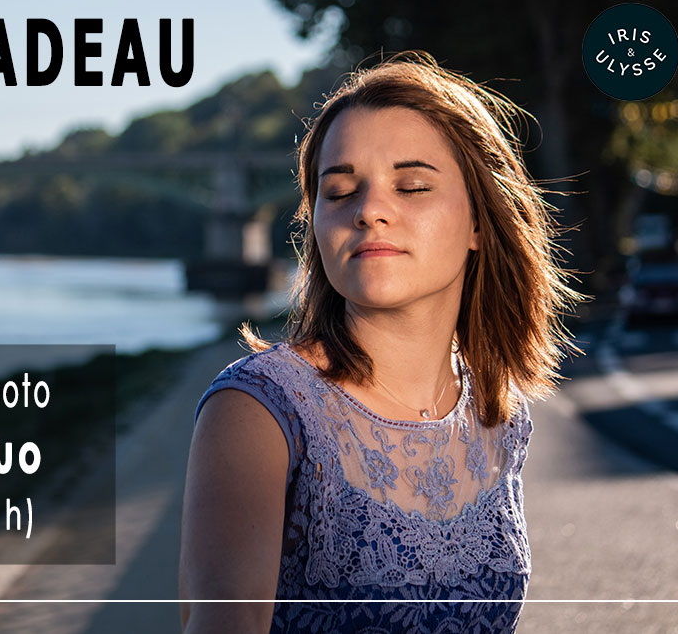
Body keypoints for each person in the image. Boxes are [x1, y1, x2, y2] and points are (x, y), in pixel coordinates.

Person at [177, 50, 585, 633]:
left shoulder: (500, 413)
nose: (369, 211)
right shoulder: (259, 411)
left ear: (478, 221)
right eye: (340, 192)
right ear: (316, 225)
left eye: (412, 186)